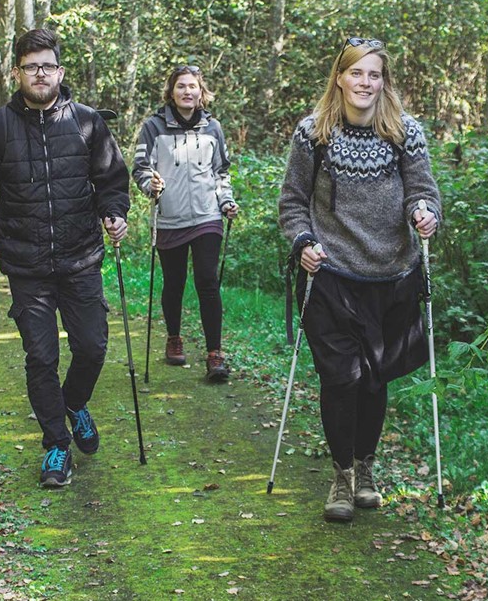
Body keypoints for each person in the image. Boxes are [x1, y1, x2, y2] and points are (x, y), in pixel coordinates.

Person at [0, 28, 130, 488]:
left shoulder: (89, 121)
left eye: (47, 66)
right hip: (26, 264)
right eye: (31, 66)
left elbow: (113, 180)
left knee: (92, 346)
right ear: (17, 72)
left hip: (80, 259)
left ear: (60, 71)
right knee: (41, 356)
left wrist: (114, 213)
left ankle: (72, 404)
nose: (39, 74)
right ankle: (56, 444)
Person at [278, 37, 440, 522]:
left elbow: (422, 190)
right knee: (340, 377)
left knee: (374, 380)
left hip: (392, 276)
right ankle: (342, 476)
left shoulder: (405, 132)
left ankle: (366, 466)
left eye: (374, 74)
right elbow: (291, 202)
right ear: (340, 78)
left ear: (383, 82)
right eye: (356, 73)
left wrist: (424, 213)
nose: (365, 82)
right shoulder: (314, 133)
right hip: (331, 274)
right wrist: (303, 241)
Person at [133, 64, 238, 382]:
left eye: (192, 86)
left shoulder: (213, 128)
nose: (187, 91)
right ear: (171, 91)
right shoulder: (153, 127)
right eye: (181, 86)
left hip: (207, 216)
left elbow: (222, 171)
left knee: (207, 281)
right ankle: (174, 337)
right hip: (170, 218)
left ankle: (214, 354)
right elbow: (139, 168)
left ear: (201, 92)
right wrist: (149, 184)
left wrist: (226, 201)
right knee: (174, 283)